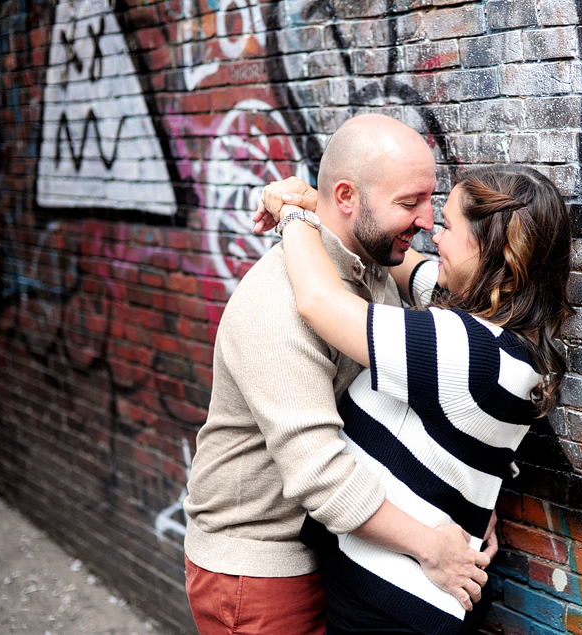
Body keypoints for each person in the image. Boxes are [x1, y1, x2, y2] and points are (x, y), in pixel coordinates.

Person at [182, 114, 493, 635]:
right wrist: (432, 545)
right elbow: (320, 475)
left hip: (334, 546)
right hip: (261, 564)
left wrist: (471, 503)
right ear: (347, 197)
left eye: (428, 199)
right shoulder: (279, 302)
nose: (426, 220)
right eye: (409, 202)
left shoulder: (370, 268)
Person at [259, 164, 574, 635]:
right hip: (415, 601)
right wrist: (320, 206)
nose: (435, 237)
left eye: (448, 226)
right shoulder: (512, 342)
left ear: (492, 250)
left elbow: (320, 303)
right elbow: (406, 266)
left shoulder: (465, 349)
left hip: (388, 608)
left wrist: (290, 215)